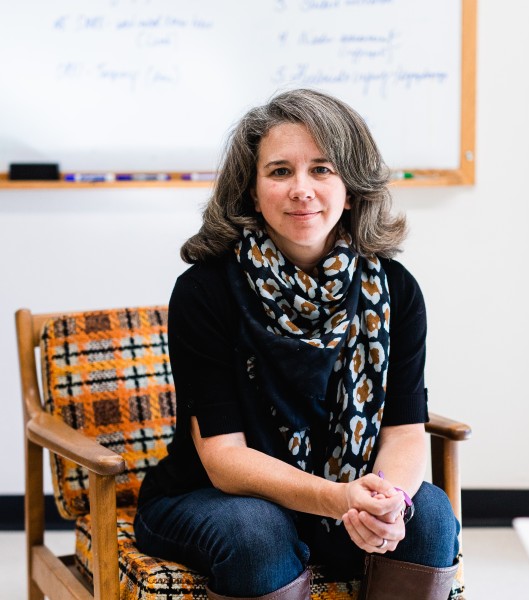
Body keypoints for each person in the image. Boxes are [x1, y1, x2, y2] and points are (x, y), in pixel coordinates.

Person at [134, 88, 459, 600]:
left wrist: (388, 500)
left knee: (430, 516)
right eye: (280, 171)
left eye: (323, 170)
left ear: (351, 188)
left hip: (345, 495)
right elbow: (224, 459)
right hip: (212, 498)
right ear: (251, 190)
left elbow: (404, 428)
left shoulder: (395, 290)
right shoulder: (205, 290)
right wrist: (339, 500)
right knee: (257, 532)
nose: (301, 189)